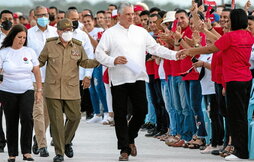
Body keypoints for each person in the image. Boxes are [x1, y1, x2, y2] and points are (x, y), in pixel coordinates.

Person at [95, 2, 181, 161]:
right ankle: (124, 149)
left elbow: (156, 49)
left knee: (142, 110)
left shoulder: (141, 32)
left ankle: (130, 136)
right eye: (127, 14)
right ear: (119, 15)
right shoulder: (110, 33)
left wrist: (175, 55)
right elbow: (99, 54)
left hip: (138, 77)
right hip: (119, 79)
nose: (131, 17)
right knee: (120, 115)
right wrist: (113, 60)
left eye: (132, 13)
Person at [179, 9, 253, 161]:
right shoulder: (247, 35)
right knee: (241, 117)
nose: (228, 22)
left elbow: (210, 48)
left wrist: (189, 50)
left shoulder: (232, 36)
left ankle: (240, 152)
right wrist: (206, 30)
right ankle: (241, 149)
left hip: (234, 80)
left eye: (230, 19)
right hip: (245, 78)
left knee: (235, 117)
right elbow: (218, 40)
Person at [38, 18, 99, 162]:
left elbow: (85, 62)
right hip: (53, 90)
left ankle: (66, 141)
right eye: (64, 30)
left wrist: (100, 60)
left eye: (69, 30)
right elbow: (39, 62)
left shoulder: (77, 46)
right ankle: (59, 153)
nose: (67, 32)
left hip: (71, 89)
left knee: (75, 117)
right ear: (58, 31)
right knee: (57, 122)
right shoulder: (50, 45)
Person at [0, 24, 42, 162]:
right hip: (7, 90)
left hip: (27, 89)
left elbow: (36, 71)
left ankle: (26, 152)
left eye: (24, 37)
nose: (22, 40)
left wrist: (39, 90)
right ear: (12, 36)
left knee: (27, 118)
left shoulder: (29, 51)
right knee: (11, 121)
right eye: (19, 37)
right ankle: (12, 153)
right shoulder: (3, 52)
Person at [27, 5, 58, 157]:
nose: (43, 17)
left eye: (45, 14)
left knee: (48, 115)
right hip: (35, 79)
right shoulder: (28, 34)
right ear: (34, 17)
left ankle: (37, 137)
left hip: (53, 79)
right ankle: (42, 145)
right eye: (39, 15)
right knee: (38, 112)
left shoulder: (55, 32)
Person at [0, 9, 14, 153]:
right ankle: (0, 141)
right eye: (4, 19)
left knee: (11, 114)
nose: (7, 21)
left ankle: (12, 141)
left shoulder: (19, 37)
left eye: (10, 18)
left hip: (13, 81)